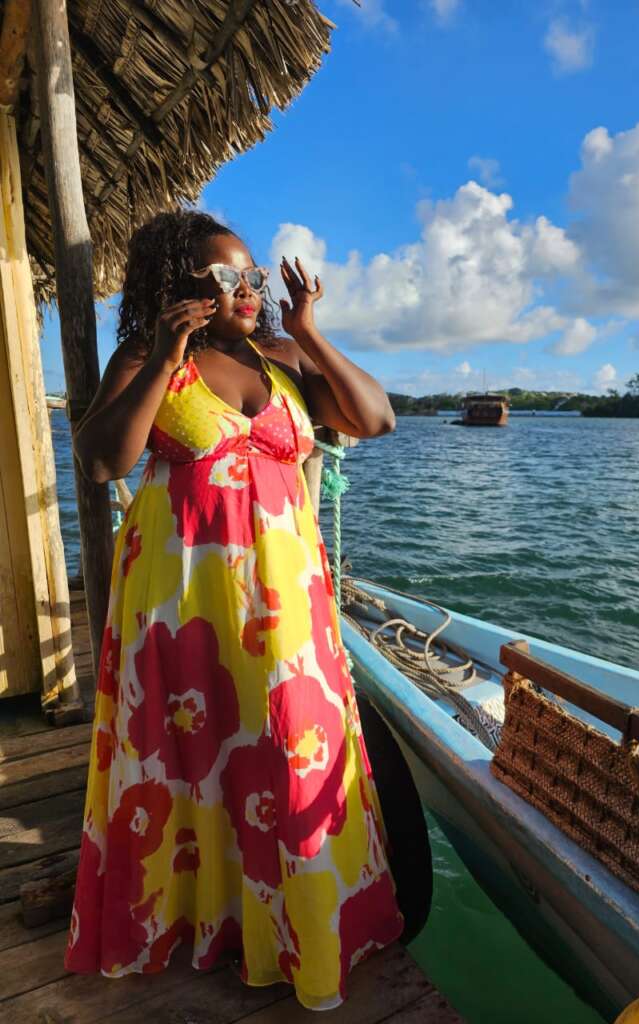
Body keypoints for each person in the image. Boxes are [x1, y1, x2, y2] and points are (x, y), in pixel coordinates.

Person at [64, 209, 403, 1010]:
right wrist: (168, 352)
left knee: (292, 752)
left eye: (252, 275)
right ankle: (203, 922)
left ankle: (304, 930)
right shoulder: (148, 356)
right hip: (186, 604)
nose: (248, 289)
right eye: (228, 276)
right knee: (196, 762)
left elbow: (376, 418)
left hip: (289, 606)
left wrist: (310, 331)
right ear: (181, 287)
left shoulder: (280, 357)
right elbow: (107, 457)